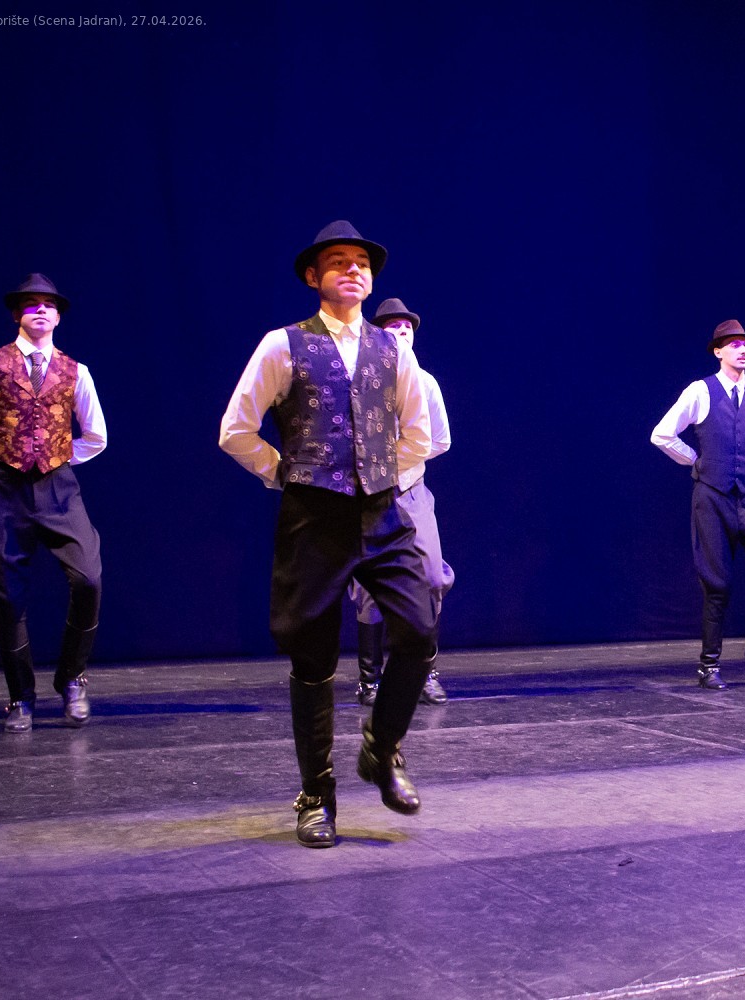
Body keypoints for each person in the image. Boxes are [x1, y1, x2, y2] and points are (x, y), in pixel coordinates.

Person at [219, 220, 438, 848]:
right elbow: (236, 430)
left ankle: (382, 748)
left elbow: (419, 435)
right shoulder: (283, 344)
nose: (353, 270)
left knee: (419, 629)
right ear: (314, 276)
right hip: (313, 519)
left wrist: (379, 475)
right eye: (338, 261)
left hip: (380, 515)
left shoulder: (393, 350)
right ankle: (316, 796)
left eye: (361, 262)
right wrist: (285, 471)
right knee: (313, 658)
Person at [0, 274, 107, 733]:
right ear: (17, 314)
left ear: (58, 317)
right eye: (31, 304)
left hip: (57, 487)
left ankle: (71, 677)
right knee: (8, 595)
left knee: (88, 578)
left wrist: (55, 456)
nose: (40, 310)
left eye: (48, 304)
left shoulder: (76, 371)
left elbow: (96, 435)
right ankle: (21, 698)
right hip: (4, 489)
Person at [651, 320, 745, 690]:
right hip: (711, 500)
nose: (743, 350)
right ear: (718, 351)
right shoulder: (701, 391)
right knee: (718, 583)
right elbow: (662, 434)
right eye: (734, 344)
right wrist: (696, 460)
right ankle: (709, 664)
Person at [348, 297, 455, 707]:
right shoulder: (362, 379)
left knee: (431, 578)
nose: (401, 332)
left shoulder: (425, 383)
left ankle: (424, 673)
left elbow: (440, 440)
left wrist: (396, 460)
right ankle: (370, 680)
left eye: (406, 327)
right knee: (370, 588)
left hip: (411, 491)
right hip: (369, 495)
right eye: (392, 327)